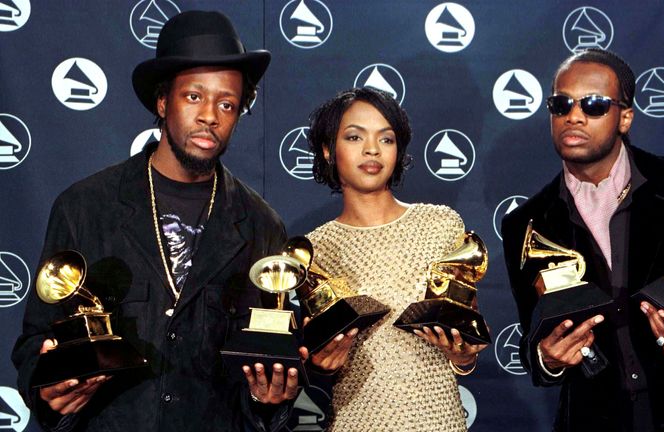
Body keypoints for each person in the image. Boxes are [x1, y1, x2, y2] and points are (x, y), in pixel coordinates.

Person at [12, 11, 301, 431]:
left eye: (227, 104)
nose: (209, 116)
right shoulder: (84, 207)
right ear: (162, 101)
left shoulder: (260, 225)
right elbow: (35, 340)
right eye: (193, 97)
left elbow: (263, 365)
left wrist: (268, 401)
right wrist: (50, 391)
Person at [501, 48, 664, 431]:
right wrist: (548, 359)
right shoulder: (525, 224)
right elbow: (533, 338)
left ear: (624, 117)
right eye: (560, 104)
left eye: (594, 104)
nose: (574, 116)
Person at [301, 87, 487, 431]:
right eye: (354, 137)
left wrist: (463, 356)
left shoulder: (440, 225)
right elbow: (313, 373)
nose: (372, 149)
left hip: (439, 421)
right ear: (328, 150)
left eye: (386, 139)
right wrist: (322, 367)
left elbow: (465, 337)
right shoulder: (313, 250)